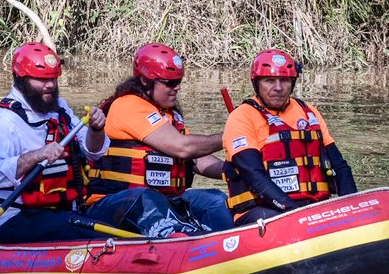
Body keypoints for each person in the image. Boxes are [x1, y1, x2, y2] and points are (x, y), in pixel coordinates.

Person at [85, 43, 235, 233]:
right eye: (169, 83)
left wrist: (235, 169)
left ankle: (231, 241)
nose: (177, 88)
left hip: (164, 200)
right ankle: (182, 241)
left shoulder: (169, 115)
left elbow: (196, 158)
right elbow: (183, 147)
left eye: (179, 81)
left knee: (214, 200)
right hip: (116, 202)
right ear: (146, 81)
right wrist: (234, 135)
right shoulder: (127, 106)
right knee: (147, 198)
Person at [0, 42, 114, 243]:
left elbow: (94, 152)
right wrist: (37, 155)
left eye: (53, 78)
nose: (50, 85)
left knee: (113, 218)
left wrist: (96, 128)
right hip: (12, 219)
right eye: (41, 79)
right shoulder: (1, 120)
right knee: (88, 232)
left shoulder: (60, 109)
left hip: (60, 214)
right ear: (20, 79)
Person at [222, 48, 357, 224]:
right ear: (256, 83)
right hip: (262, 210)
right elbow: (254, 177)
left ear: (292, 82)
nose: (278, 88)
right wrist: (295, 212)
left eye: (284, 80)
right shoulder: (241, 117)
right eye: (270, 81)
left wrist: (352, 206)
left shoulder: (309, 112)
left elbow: (340, 168)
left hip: (311, 206)